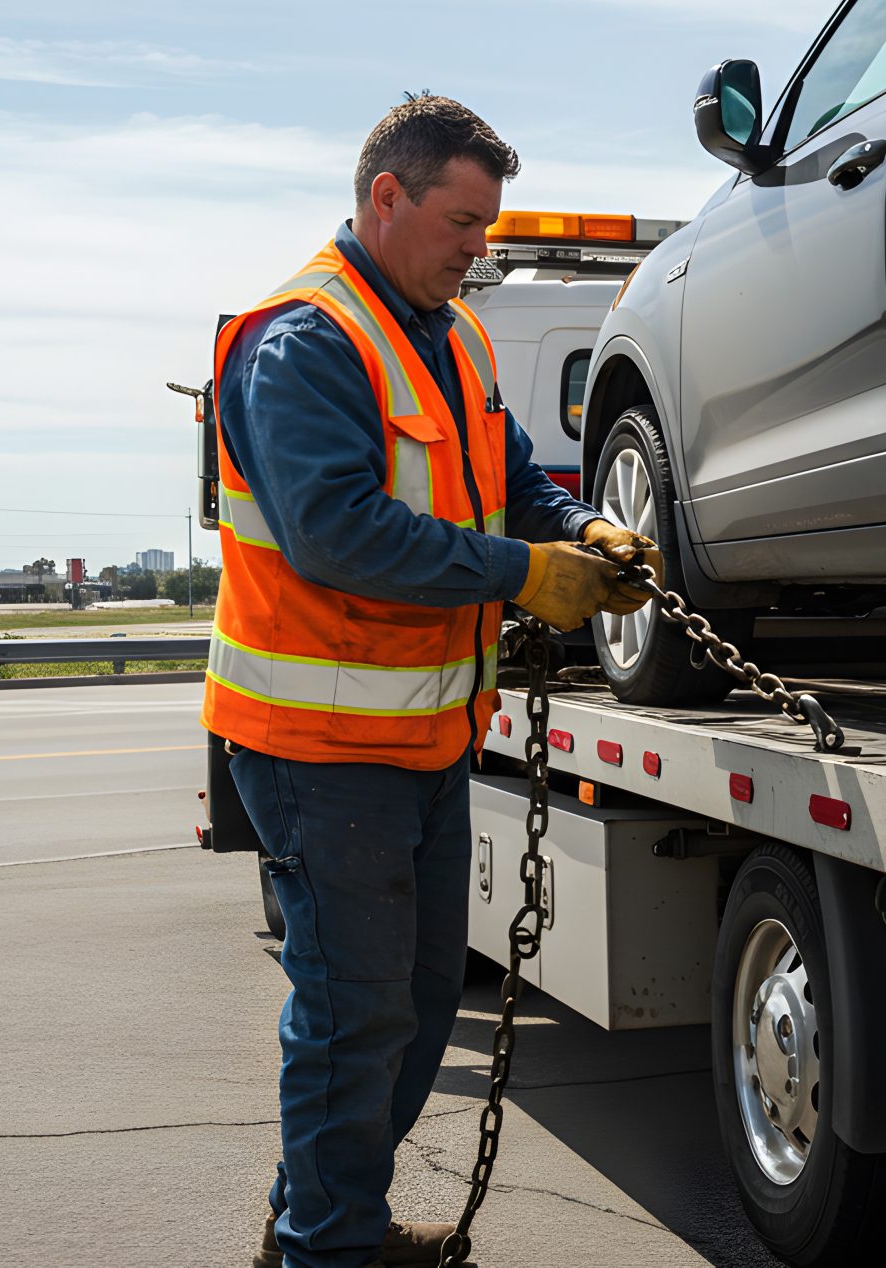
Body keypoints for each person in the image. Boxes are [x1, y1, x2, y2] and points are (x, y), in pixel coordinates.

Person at [205, 94, 660, 1268]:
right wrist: (527, 573)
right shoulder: (306, 340)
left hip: (420, 741)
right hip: (316, 749)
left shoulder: (452, 335)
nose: (478, 248)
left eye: (487, 226)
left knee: (400, 1023)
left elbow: (513, 481)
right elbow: (336, 535)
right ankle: (327, 1250)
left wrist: (584, 529)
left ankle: (315, 1221)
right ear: (386, 198)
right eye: (462, 222)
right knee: (355, 1020)